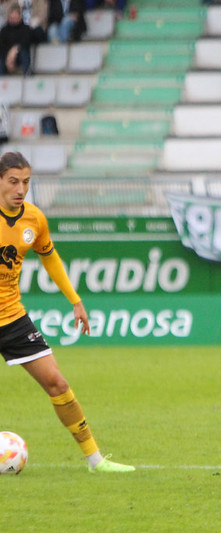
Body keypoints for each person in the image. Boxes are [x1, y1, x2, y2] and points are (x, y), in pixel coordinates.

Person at [0, 152, 134, 473]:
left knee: (58, 384)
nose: (21, 189)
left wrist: (75, 300)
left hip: (13, 317)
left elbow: (50, 258)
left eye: (27, 182)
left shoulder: (34, 219)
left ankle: (95, 459)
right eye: (14, 182)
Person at [0, 4, 33, 75]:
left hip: (19, 55)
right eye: (12, 15)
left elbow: (25, 42)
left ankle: (26, 76)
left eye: (16, 15)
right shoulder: (4, 30)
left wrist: (15, 50)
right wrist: (9, 58)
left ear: (20, 16)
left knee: (24, 54)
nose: (13, 17)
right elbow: (2, 45)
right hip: (7, 56)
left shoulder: (26, 29)